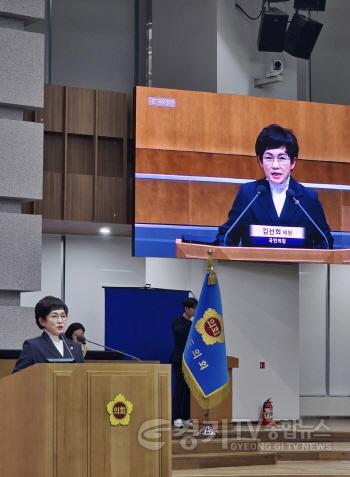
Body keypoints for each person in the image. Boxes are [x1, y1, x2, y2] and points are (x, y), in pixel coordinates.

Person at [216, 124, 333, 249]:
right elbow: (227, 236)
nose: (275, 165)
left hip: (297, 268)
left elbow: (325, 241)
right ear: (260, 161)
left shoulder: (308, 198)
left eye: (282, 158)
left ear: (293, 162)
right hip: (254, 268)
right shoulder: (249, 194)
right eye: (269, 158)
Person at [13, 296, 84, 373]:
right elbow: (17, 376)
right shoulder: (33, 346)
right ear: (42, 321)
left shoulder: (76, 347)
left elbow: (82, 375)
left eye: (63, 316)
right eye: (54, 316)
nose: (60, 321)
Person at [170, 296, 198, 428]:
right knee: (179, 389)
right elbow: (181, 336)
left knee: (188, 390)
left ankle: (186, 417)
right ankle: (176, 417)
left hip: (190, 362)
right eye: (193, 308)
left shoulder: (193, 325)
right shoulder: (177, 322)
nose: (195, 311)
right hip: (179, 360)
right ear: (187, 308)